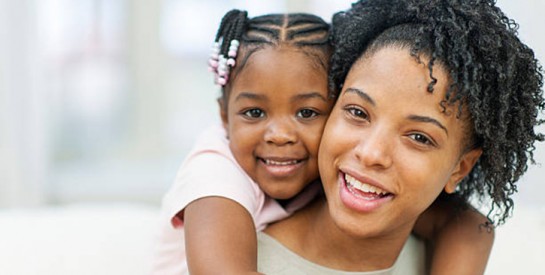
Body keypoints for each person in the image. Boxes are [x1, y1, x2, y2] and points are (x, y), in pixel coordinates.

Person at [152, 8, 497, 275]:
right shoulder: (214, 175)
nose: (280, 134)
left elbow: (470, 225)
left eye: (306, 113)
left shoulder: (334, 173)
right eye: (254, 113)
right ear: (223, 116)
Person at [256, 0, 543, 274]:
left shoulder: (446, 256)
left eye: (419, 137)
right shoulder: (234, 257)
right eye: (357, 112)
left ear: (460, 168)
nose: (371, 153)